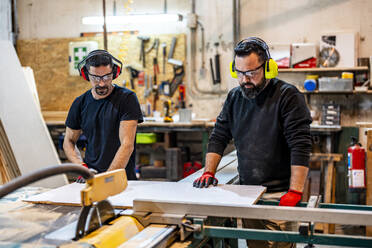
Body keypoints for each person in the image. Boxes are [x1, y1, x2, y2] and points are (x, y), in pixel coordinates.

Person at [193, 37, 312, 248]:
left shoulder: (288, 96)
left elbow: (300, 144)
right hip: (247, 192)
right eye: (239, 73)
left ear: (268, 68)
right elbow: (219, 135)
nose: (244, 80)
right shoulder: (234, 97)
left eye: (251, 73)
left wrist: (295, 190)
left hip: (279, 194)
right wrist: (209, 172)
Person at [63, 50, 143, 182]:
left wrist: (107, 179)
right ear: (86, 75)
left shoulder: (127, 99)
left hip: (120, 179)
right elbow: (69, 142)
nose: (101, 83)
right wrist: (82, 168)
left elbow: (127, 145)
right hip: (91, 178)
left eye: (106, 77)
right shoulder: (80, 103)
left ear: (115, 73)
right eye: (95, 78)